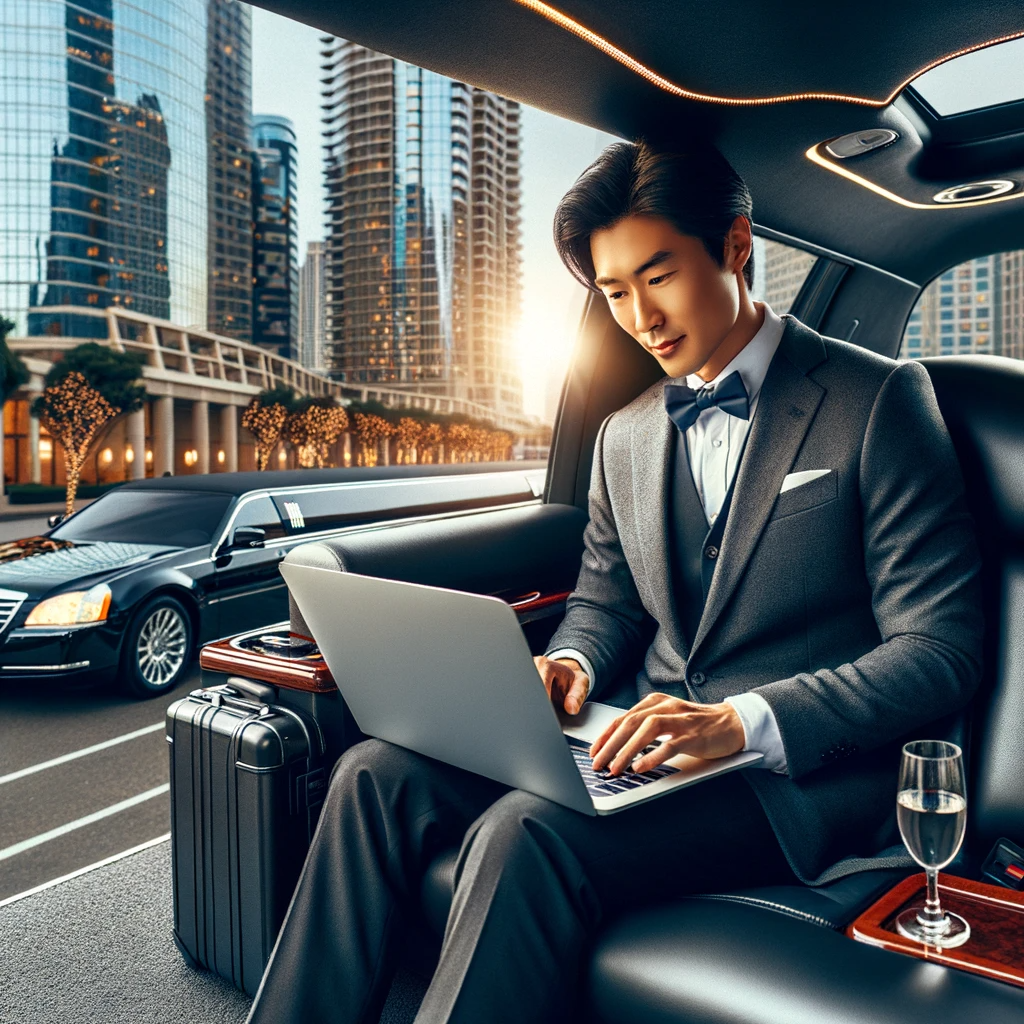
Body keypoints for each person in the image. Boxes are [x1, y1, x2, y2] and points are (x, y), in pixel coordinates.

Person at [245, 140, 983, 1024]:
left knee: (528, 834)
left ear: (737, 245)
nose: (640, 316)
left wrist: (740, 724)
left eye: (659, 276)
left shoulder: (881, 400)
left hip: (793, 786)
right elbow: (605, 603)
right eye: (615, 292)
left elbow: (940, 649)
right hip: (629, 747)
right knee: (371, 772)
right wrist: (574, 666)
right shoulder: (623, 435)